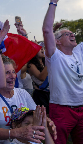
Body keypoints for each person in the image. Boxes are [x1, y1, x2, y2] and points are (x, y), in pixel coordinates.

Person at [0, 55, 57, 144]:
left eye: (13, 72)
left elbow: (36, 115)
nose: (12, 76)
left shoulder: (22, 93)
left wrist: (48, 123)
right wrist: (17, 133)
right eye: (7, 73)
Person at [42, 0, 83, 143]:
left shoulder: (79, 51)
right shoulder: (55, 57)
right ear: (57, 41)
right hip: (61, 109)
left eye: (72, 33)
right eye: (67, 34)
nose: (72, 35)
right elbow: (47, 31)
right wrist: (53, 2)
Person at [27, 46, 49, 112]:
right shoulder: (31, 65)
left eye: (42, 48)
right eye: (39, 48)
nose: (42, 49)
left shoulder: (44, 62)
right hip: (40, 94)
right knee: (45, 115)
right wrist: (49, 62)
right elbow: (41, 77)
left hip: (49, 93)